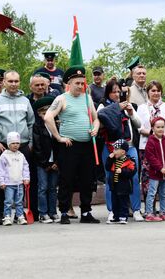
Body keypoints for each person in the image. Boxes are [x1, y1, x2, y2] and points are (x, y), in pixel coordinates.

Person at [43, 65, 100, 224]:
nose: (81, 86)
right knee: (66, 179)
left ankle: (86, 211)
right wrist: (59, 137)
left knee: (87, 180)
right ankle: (64, 212)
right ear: (69, 83)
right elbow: (48, 117)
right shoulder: (61, 98)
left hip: (87, 145)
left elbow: (95, 118)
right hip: (69, 146)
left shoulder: (88, 98)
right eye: (77, 83)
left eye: (82, 83)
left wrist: (95, 128)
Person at [0, 70, 36, 223]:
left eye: (16, 81)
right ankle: (3, 212)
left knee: (23, 179)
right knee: (3, 180)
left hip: (22, 146)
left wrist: (30, 143)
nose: (13, 84)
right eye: (10, 81)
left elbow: (31, 123)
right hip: (3, 146)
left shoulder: (25, 101)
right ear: (4, 82)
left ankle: (20, 213)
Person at [97, 79, 143, 222]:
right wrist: (116, 108)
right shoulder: (103, 105)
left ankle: (136, 210)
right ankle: (112, 211)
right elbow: (99, 118)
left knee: (134, 177)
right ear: (108, 93)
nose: (117, 94)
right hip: (111, 147)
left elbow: (139, 124)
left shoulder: (127, 105)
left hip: (129, 146)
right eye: (113, 92)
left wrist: (131, 112)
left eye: (118, 91)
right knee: (111, 178)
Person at [32, 96, 60, 223]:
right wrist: (45, 164)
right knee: (42, 187)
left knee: (53, 188)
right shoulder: (37, 127)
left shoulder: (58, 126)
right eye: (43, 113)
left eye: (48, 112)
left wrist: (56, 162)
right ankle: (43, 213)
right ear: (38, 114)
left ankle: (53, 211)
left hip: (55, 163)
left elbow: (60, 146)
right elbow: (37, 148)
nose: (46, 115)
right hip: (42, 163)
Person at [144, 117, 165, 222]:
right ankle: (149, 213)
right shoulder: (151, 141)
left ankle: (163, 212)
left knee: (164, 194)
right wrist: (160, 168)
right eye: (158, 127)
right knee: (152, 193)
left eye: (162, 127)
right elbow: (150, 157)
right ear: (153, 128)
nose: (160, 129)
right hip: (155, 173)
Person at [0, 131, 30, 226]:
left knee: (19, 201)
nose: (15, 145)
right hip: (8, 184)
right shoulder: (4, 156)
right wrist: (1, 181)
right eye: (13, 143)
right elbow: (1, 170)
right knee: (8, 201)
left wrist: (26, 178)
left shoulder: (21, 155)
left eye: (17, 143)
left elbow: (25, 167)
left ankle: (20, 216)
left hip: (19, 183)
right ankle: (7, 216)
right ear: (8, 144)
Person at [105, 139, 137, 224]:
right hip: (114, 185)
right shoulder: (113, 160)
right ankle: (116, 217)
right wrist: (109, 158)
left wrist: (123, 171)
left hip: (124, 186)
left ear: (123, 152)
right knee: (114, 202)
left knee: (123, 202)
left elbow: (132, 171)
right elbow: (107, 167)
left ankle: (123, 216)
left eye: (116, 149)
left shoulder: (130, 160)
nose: (113, 151)